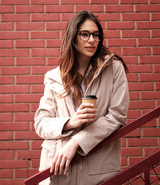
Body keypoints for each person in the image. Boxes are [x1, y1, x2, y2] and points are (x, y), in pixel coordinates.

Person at [34, 10, 130, 185]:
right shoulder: (54, 76)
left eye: (96, 35)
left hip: (98, 168)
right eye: (84, 34)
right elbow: (41, 123)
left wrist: (76, 142)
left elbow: (117, 116)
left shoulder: (114, 69)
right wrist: (71, 122)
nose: (91, 40)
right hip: (59, 170)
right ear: (73, 37)